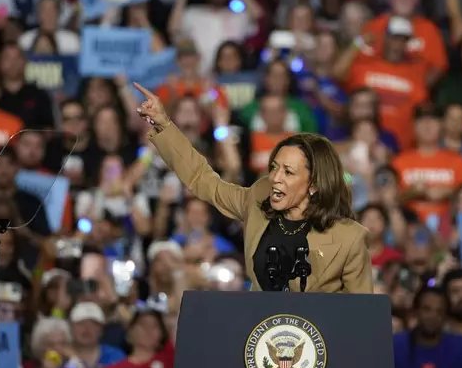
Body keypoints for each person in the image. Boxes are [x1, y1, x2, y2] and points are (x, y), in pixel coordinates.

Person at [133, 82, 372, 293]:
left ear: (313, 185)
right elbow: (202, 179)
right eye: (275, 167)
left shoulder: (349, 239)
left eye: (288, 172)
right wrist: (164, 125)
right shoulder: (258, 201)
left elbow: (357, 319)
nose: (275, 178)